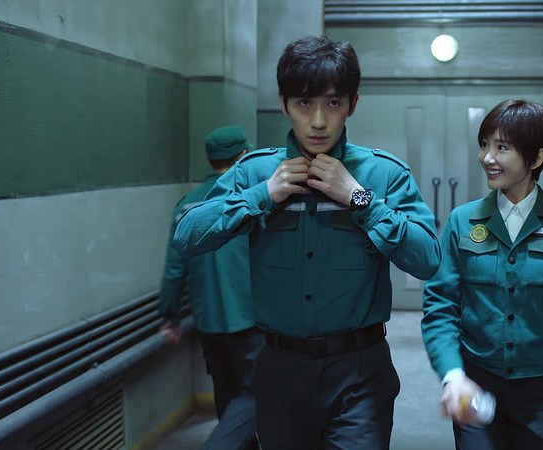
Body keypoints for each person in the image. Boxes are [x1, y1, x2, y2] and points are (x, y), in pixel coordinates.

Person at [172, 35, 441, 450]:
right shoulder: (255, 171)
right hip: (280, 370)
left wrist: (361, 200)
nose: (318, 121)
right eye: (303, 102)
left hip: (359, 372)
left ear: (352, 104)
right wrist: (262, 195)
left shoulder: (384, 174)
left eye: (332, 103)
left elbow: (427, 260)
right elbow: (187, 235)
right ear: (283, 103)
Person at [420, 99, 543, 450]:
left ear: (536, 158)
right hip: (476, 386)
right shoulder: (462, 222)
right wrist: (452, 374)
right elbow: (440, 307)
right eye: (484, 145)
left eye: (502, 148)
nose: (487, 157)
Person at [157, 125, 263, 450]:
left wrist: (170, 316)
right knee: (257, 396)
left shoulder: (187, 206)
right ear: (242, 156)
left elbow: (175, 268)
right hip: (250, 318)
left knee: (228, 397)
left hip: (209, 321)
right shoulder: (249, 200)